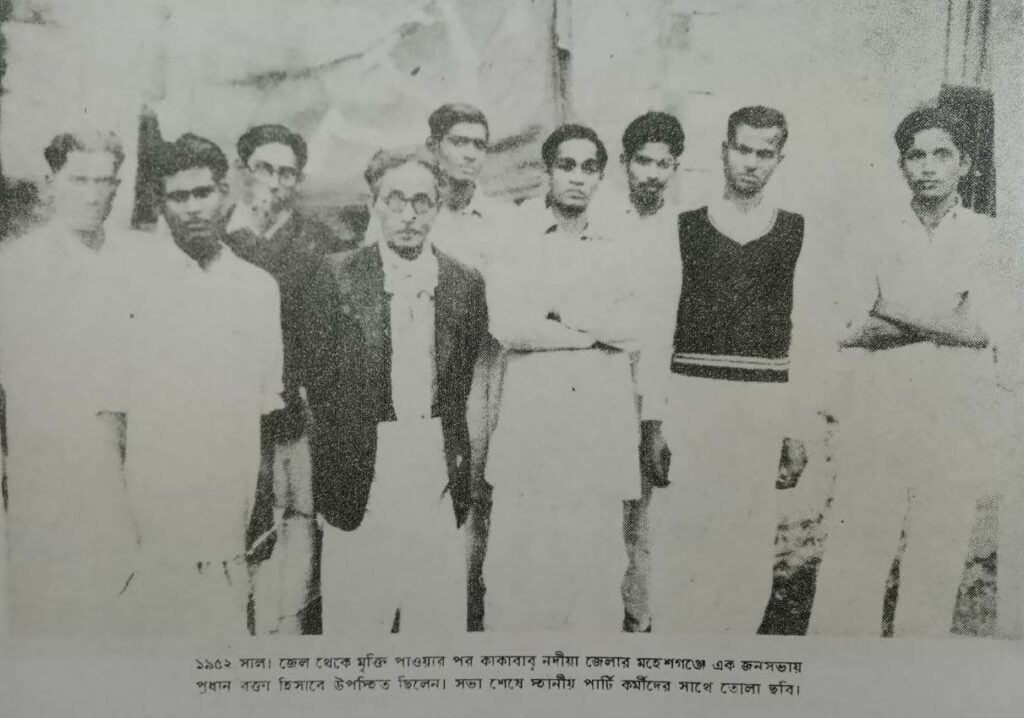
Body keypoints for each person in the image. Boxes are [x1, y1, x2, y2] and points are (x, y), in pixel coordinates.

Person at [808, 107, 1017, 637]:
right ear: (901, 165)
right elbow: (849, 327)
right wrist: (947, 317)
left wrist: (889, 306)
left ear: (964, 164)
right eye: (916, 156)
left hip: (954, 411)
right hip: (879, 406)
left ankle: (914, 673)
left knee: (936, 558)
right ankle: (837, 671)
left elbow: (985, 330)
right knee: (856, 547)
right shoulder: (873, 234)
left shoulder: (991, 237)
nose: (928, 167)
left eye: (941, 154)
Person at [301, 150, 487, 635]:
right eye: (395, 200)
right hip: (361, 468)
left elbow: (459, 383)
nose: (408, 214)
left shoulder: (464, 282)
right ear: (375, 204)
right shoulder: (336, 275)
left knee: (436, 627)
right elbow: (319, 386)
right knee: (356, 627)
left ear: (438, 207)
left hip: (435, 467)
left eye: (421, 201)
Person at [483, 124, 653, 632]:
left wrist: (560, 312)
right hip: (532, 429)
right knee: (519, 565)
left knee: (595, 567)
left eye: (589, 168)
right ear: (547, 171)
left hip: (597, 433)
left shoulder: (622, 238)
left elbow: (637, 326)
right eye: (567, 165)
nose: (578, 177)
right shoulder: (515, 233)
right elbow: (509, 325)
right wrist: (595, 331)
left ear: (601, 175)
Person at [650, 106, 812, 634]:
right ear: (724, 151)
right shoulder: (685, 228)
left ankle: (735, 654)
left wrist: (794, 427)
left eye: (765, 153)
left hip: (760, 406)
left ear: (779, 159)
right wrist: (654, 421)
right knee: (682, 532)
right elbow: (658, 329)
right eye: (743, 149)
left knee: (746, 538)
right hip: (691, 398)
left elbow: (802, 334)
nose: (751, 162)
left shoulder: (794, 231)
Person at [123, 133, 284, 637]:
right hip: (151, 524)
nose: (193, 207)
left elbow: (266, 411)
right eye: (179, 196)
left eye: (203, 193)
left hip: (228, 523)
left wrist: (260, 514)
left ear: (225, 193)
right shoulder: (131, 285)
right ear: (161, 203)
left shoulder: (258, 289)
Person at [0, 130, 147, 635]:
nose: (92, 194)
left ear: (117, 186)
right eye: (78, 180)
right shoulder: (17, 266)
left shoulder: (140, 261)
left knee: (126, 604)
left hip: (130, 459)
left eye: (103, 181)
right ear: (51, 183)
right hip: (49, 461)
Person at [225, 123, 348, 634]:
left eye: (287, 173)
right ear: (241, 171)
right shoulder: (210, 235)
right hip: (222, 411)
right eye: (264, 169)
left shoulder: (317, 242)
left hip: (290, 414)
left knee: (294, 522)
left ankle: (286, 633)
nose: (275, 182)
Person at [424, 102, 513, 629]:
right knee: (425, 484)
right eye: (459, 141)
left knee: (478, 485)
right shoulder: (412, 206)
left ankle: (471, 611)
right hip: (421, 370)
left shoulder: (503, 219)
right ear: (434, 146)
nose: (470, 154)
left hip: (482, 369)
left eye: (479, 144)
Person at [596, 111, 685, 632]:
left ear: (676, 167)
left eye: (664, 164)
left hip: (657, 385)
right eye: (643, 162)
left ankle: (639, 621)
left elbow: (666, 325)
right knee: (600, 505)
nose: (653, 174)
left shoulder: (682, 229)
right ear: (624, 162)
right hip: (599, 379)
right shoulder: (599, 219)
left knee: (646, 510)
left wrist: (655, 413)